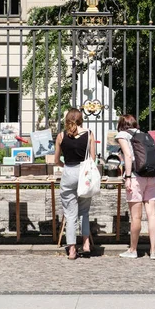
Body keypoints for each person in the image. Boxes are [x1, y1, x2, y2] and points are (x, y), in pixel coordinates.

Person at [54, 108, 96, 260]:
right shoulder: (89, 134)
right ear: (81, 119)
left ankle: (72, 250)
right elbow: (93, 158)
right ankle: (85, 244)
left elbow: (56, 160)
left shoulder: (61, 136)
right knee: (84, 211)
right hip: (84, 174)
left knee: (70, 214)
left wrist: (64, 166)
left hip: (69, 172)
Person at [116, 115, 155, 259]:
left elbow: (128, 156)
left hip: (135, 176)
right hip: (152, 176)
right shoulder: (144, 134)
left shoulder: (122, 134)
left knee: (136, 217)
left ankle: (133, 250)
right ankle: (153, 251)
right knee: (152, 214)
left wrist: (127, 177)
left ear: (121, 124)